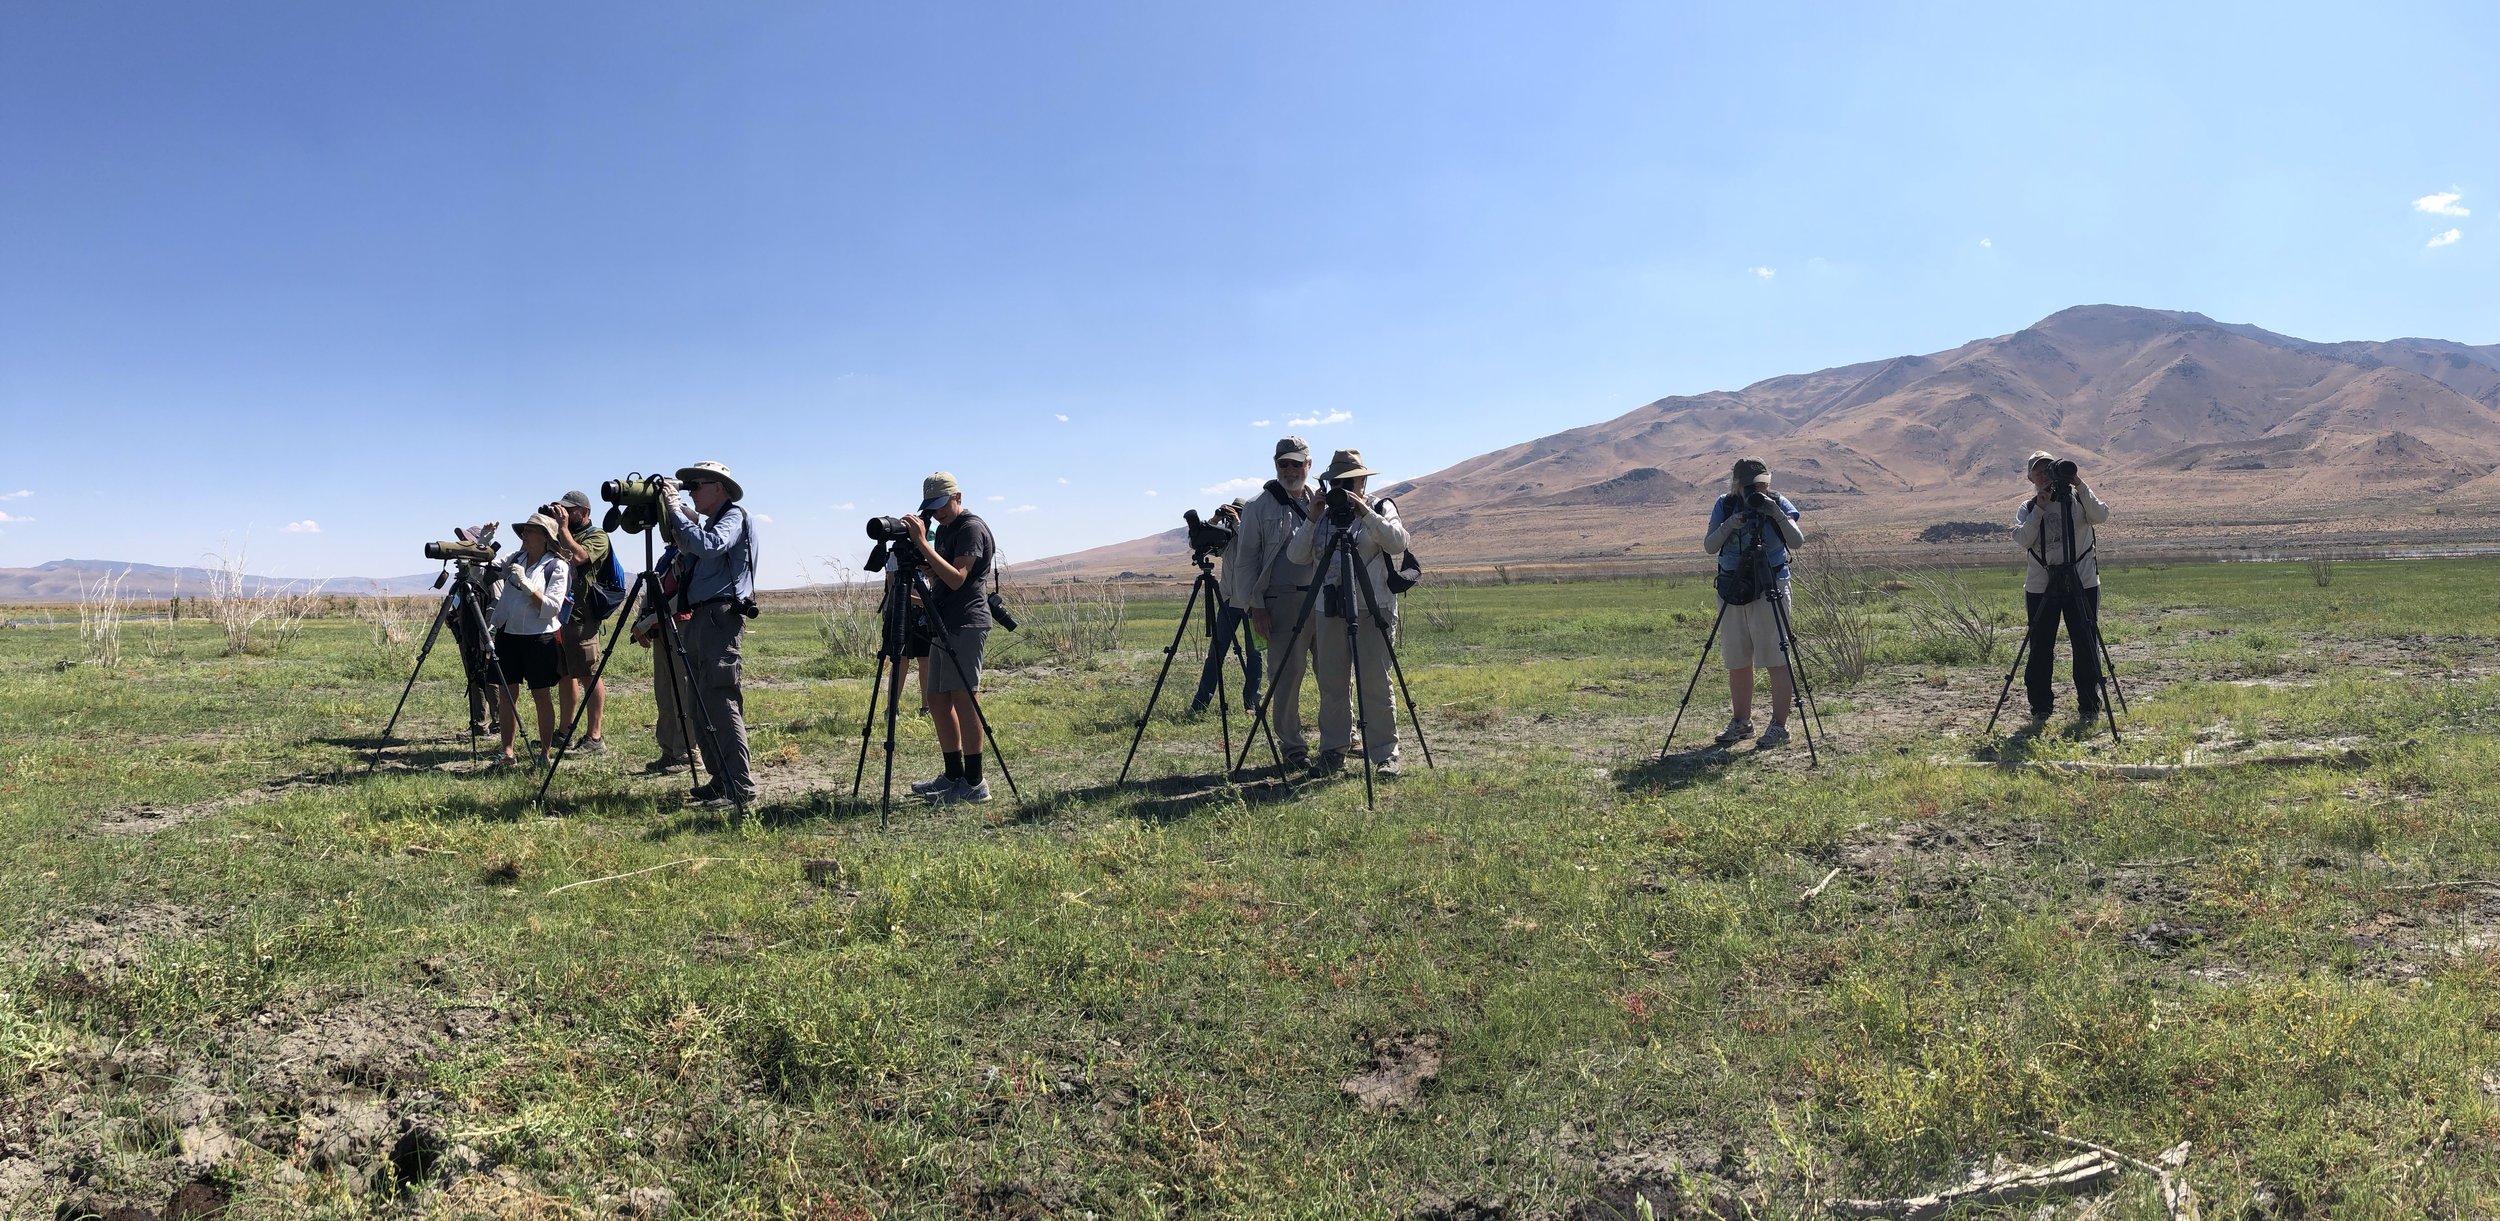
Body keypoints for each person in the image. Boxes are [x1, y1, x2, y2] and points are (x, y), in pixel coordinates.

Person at [1285, 449, 1412, 776]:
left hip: (1372, 608)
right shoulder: (1323, 516)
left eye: (1347, 483)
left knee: (1374, 681)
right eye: (1335, 483)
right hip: (1329, 609)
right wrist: (1312, 518)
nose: (1340, 490)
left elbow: (1398, 542)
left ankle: (1385, 754)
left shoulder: (1381, 508)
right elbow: (1297, 557)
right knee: (1331, 683)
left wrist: (1366, 512)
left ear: (1363, 481)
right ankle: (1333, 750)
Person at [654, 461, 759, 810]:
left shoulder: (733, 517)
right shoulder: (713, 519)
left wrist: (675, 510)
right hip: (701, 616)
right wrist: (673, 514)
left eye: (696, 485)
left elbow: (711, 545)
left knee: (719, 698)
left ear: (719, 487)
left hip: (720, 616)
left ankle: (739, 785)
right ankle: (720, 779)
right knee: (699, 702)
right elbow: (692, 546)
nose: (691, 491)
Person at [900, 472, 998, 804]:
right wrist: (928, 562)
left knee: (964, 699)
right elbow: (944, 574)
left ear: (958, 497)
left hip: (966, 623)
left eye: (942, 505)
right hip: (942, 621)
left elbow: (958, 579)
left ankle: (974, 782)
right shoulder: (944, 529)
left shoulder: (971, 527)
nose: (937, 513)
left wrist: (923, 545)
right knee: (938, 700)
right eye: (932, 507)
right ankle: (952, 774)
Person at [1229, 436, 1322, 771]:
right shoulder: (1258, 507)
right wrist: (1255, 606)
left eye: (1297, 463)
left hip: (1324, 599)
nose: (1290, 470)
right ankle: (1293, 745)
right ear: (1276, 465)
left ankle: (1339, 738)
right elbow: (1246, 561)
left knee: (1333, 670)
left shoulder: (1320, 500)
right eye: (1284, 463)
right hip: (1280, 601)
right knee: (1287, 674)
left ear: (1309, 465)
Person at [1703, 457, 1804, 748]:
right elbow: (1710, 546)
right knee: (1737, 659)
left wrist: (1775, 513)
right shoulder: (1725, 504)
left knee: (1776, 656)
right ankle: (1741, 722)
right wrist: (1730, 524)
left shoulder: (1777, 502)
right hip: (1732, 588)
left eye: (1761, 484)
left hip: (1769, 585)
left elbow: (1797, 542)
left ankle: (1779, 727)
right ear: (1736, 485)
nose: (1755, 491)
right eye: (1750, 486)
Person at [2015, 450, 2112, 726]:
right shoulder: (2028, 506)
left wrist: (2079, 483)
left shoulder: (2078, 500)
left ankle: (2089, 707)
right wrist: (2040, 509)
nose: (2045, 475)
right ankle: (2040, 709)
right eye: (2038, 471)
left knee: (2085, 645)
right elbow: (2023, 539)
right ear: (2030, 477)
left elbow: (2100, 515)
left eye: (2050, 469)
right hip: (2040, 586)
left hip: (2082, 582)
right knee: (2040, 648)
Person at [488, 513, 570, 769]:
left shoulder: (557, 566)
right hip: (508, 635)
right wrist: (484, 541)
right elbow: (485, 564)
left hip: (539, 638)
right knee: (506, 694)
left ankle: (544, 755)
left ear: (546, 537)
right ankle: (508, 753)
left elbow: (551, 608)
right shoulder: (514, 559)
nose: (524, 534)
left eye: (531, 530)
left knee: (540, 695)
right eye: (524, 530)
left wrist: (525, 584)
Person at [549, 490, 613, 753]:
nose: (565, 514)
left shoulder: (597, 536)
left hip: (582, 617)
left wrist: (563, 528)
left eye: (569, 510)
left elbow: (579, 557)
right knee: (566, 674)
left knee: (589, 674)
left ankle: (594, 737)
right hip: (560, 617)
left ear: (584, 512)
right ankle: (565, 731)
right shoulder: (564, 534)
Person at [1188, 498, 1262, 716]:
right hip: (1228, 600)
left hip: (1254, 603)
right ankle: (1201, 704)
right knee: (1216, 653)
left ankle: (1252, 703)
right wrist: (1216, 519)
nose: (1233, 517)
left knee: (1255, 654)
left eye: (1238, 513)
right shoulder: (1227, 539)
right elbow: (1199, 543)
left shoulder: (1256, 535)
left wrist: (1239, 522)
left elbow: (1253, 546)